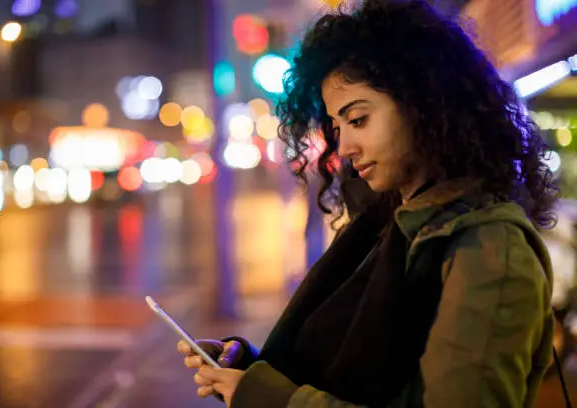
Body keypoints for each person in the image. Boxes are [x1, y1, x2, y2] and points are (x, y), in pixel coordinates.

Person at [178, 0, 559, 407]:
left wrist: (270, 398)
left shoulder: (489, 249)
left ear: (426, 106)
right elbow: (360, 373)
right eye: (336, 126)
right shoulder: (392, 226)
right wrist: (251, 374)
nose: (344, 147)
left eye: (358, 119)